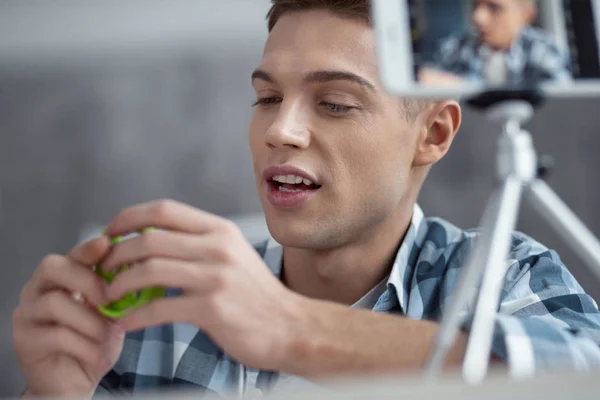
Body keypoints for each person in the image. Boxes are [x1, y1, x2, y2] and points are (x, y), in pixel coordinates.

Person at [12, 0, 600, 398]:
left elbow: (582, 373)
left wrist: (287, 328)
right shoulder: (156, 309)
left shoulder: (507, 276)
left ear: (434, 134)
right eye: (268, 98)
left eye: (336, 103)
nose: (281, 131)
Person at [419, 0, 572, 86]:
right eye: (475, 6)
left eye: (494, 8)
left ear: (526, 16)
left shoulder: (543, 49)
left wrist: (462, 86)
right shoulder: (456, 47)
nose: (478, 17)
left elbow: (555, 103)